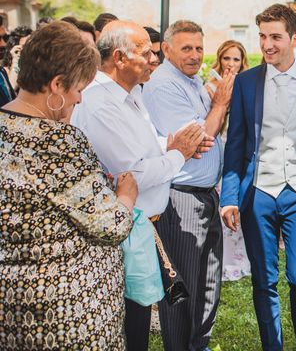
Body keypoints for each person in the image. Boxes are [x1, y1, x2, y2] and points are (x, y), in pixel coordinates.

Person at [71, 20, 211, 350]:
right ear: (119, 58)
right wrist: (179, 156)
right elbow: (130, 176)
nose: (153, 59)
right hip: (120, 234)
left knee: (137, 321)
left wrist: (169, 144)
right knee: (128, 328)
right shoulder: (99, 104)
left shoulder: (131, 92)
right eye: (145, 52)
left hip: (142, 228)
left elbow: (142, 148)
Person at [0, 21, 138, 350]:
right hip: (67, 312)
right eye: (77, 89)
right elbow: (110, 225)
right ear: (57, 85)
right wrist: (125, 196)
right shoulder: (59, 142)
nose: (79, 100)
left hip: (12, 307)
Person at [221, 4, 296, 351]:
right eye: (263, 36)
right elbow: (235, 143)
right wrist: (229, 197)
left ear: (295, 38)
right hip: (259, 192)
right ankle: (273, 346)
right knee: (264, 280)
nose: (267, 45)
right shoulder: (246, 83)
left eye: (275, 37)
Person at [143, 20, 235, 351]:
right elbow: (196, 142)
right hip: (180, 199)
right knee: (183, 288)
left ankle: (199, 344)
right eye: (186, 48)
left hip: (205, 196)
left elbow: (207, 130)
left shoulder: (193, 81)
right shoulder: (162, 86)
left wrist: (214, 109)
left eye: (199, 47)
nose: (195, 55)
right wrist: (220, 105)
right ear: (166, 49)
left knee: (209, 282)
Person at [210, 40, 252, 281]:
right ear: (220, 58)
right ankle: (219, 258)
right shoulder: (210, 84)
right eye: (227, 58)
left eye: (236, 59)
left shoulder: (247, 85)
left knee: (235, 199)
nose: (231, 64)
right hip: (217, 146)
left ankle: (237, 259)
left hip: (237, 149)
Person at [2, 26, 33, 92]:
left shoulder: (40, 66)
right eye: (25, 46)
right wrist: (15, 61)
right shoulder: (6, 70)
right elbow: (11, 89)